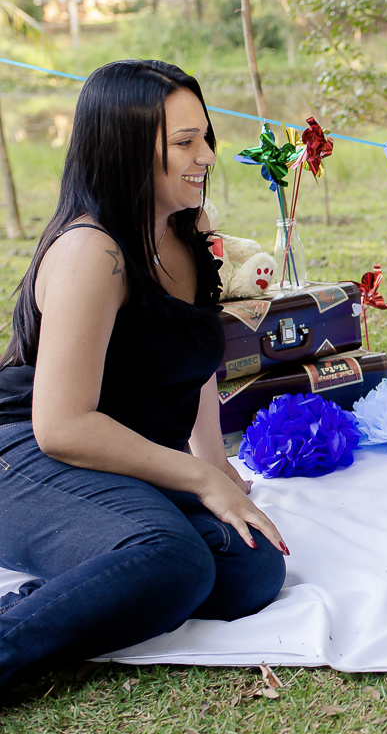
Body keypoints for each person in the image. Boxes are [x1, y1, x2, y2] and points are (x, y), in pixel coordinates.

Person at [0, 60, 287, 693]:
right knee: (174, 561)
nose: (207, 155)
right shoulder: (91, 252)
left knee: (252, 569)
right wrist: (196, 479)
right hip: (23, 454)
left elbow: (195, 364)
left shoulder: (189, 230)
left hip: (118, 460)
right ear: (127, 146)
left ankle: (57, 590)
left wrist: (216, 466)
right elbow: (62, 426)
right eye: (185, 142)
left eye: (205, 136)